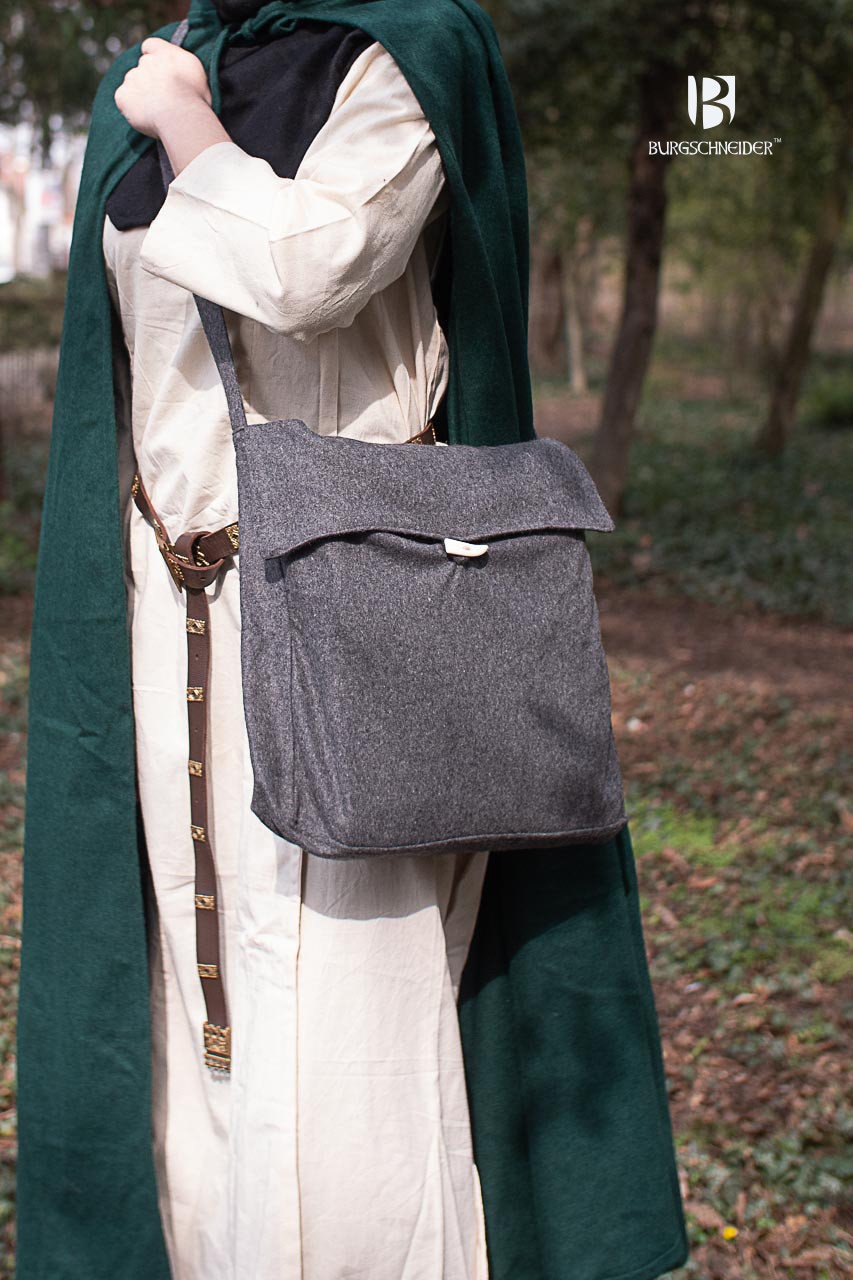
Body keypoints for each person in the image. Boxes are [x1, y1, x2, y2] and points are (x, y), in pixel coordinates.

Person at [17, 3, 691, 1279]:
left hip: (358, 609)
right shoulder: (167, 60)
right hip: (172, 619)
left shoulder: (404, 58)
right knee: (199, 992)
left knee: (348, 1011)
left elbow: (314, 266)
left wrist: (185, 129)